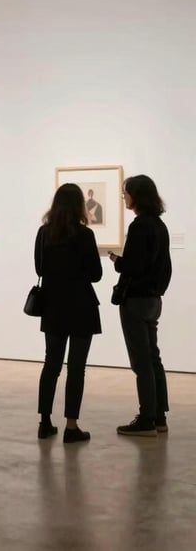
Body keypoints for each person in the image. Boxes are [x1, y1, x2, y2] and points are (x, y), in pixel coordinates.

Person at [35, 184, 102, 443]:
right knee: (76, 368)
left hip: (52, 306)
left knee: (51, 364)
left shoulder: (44, 233)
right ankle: (71, 426)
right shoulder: (84, 235)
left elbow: (40, 268)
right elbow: (95, 274)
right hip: (81, 307)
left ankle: (44, 422)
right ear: (79, 206)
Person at [110, 175, 172, 437]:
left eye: (126, 193)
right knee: (153, 358)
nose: (124, 197)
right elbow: (163, 266)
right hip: (153, 300)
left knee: (141, 361)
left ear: (136, 195)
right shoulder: (159, 225)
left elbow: (133, 266)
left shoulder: (139, 226)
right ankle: (159, 416)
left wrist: (116, 260)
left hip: (135, 300)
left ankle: (146, 418)